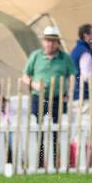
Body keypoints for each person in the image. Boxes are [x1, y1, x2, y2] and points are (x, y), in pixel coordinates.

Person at [23, 26, 77, 166]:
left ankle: (55, 161)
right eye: (47, 41)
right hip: (38, 98)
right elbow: (25, 76)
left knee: (57, 131)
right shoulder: (36, 56)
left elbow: (71, 76)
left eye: (53, 41)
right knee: (38, 129)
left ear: (57, 42)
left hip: (58, 99)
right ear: (44, 42)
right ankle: (39, 162)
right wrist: (33, 84)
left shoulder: (65, 58)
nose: (50, 44)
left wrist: (70, 93)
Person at [71, 23, 92, 121]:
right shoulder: (85, 51)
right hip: (86, 96)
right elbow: (88, 76)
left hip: (77, 94)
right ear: (86, 36)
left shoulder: (76, 50)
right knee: (88, 129)